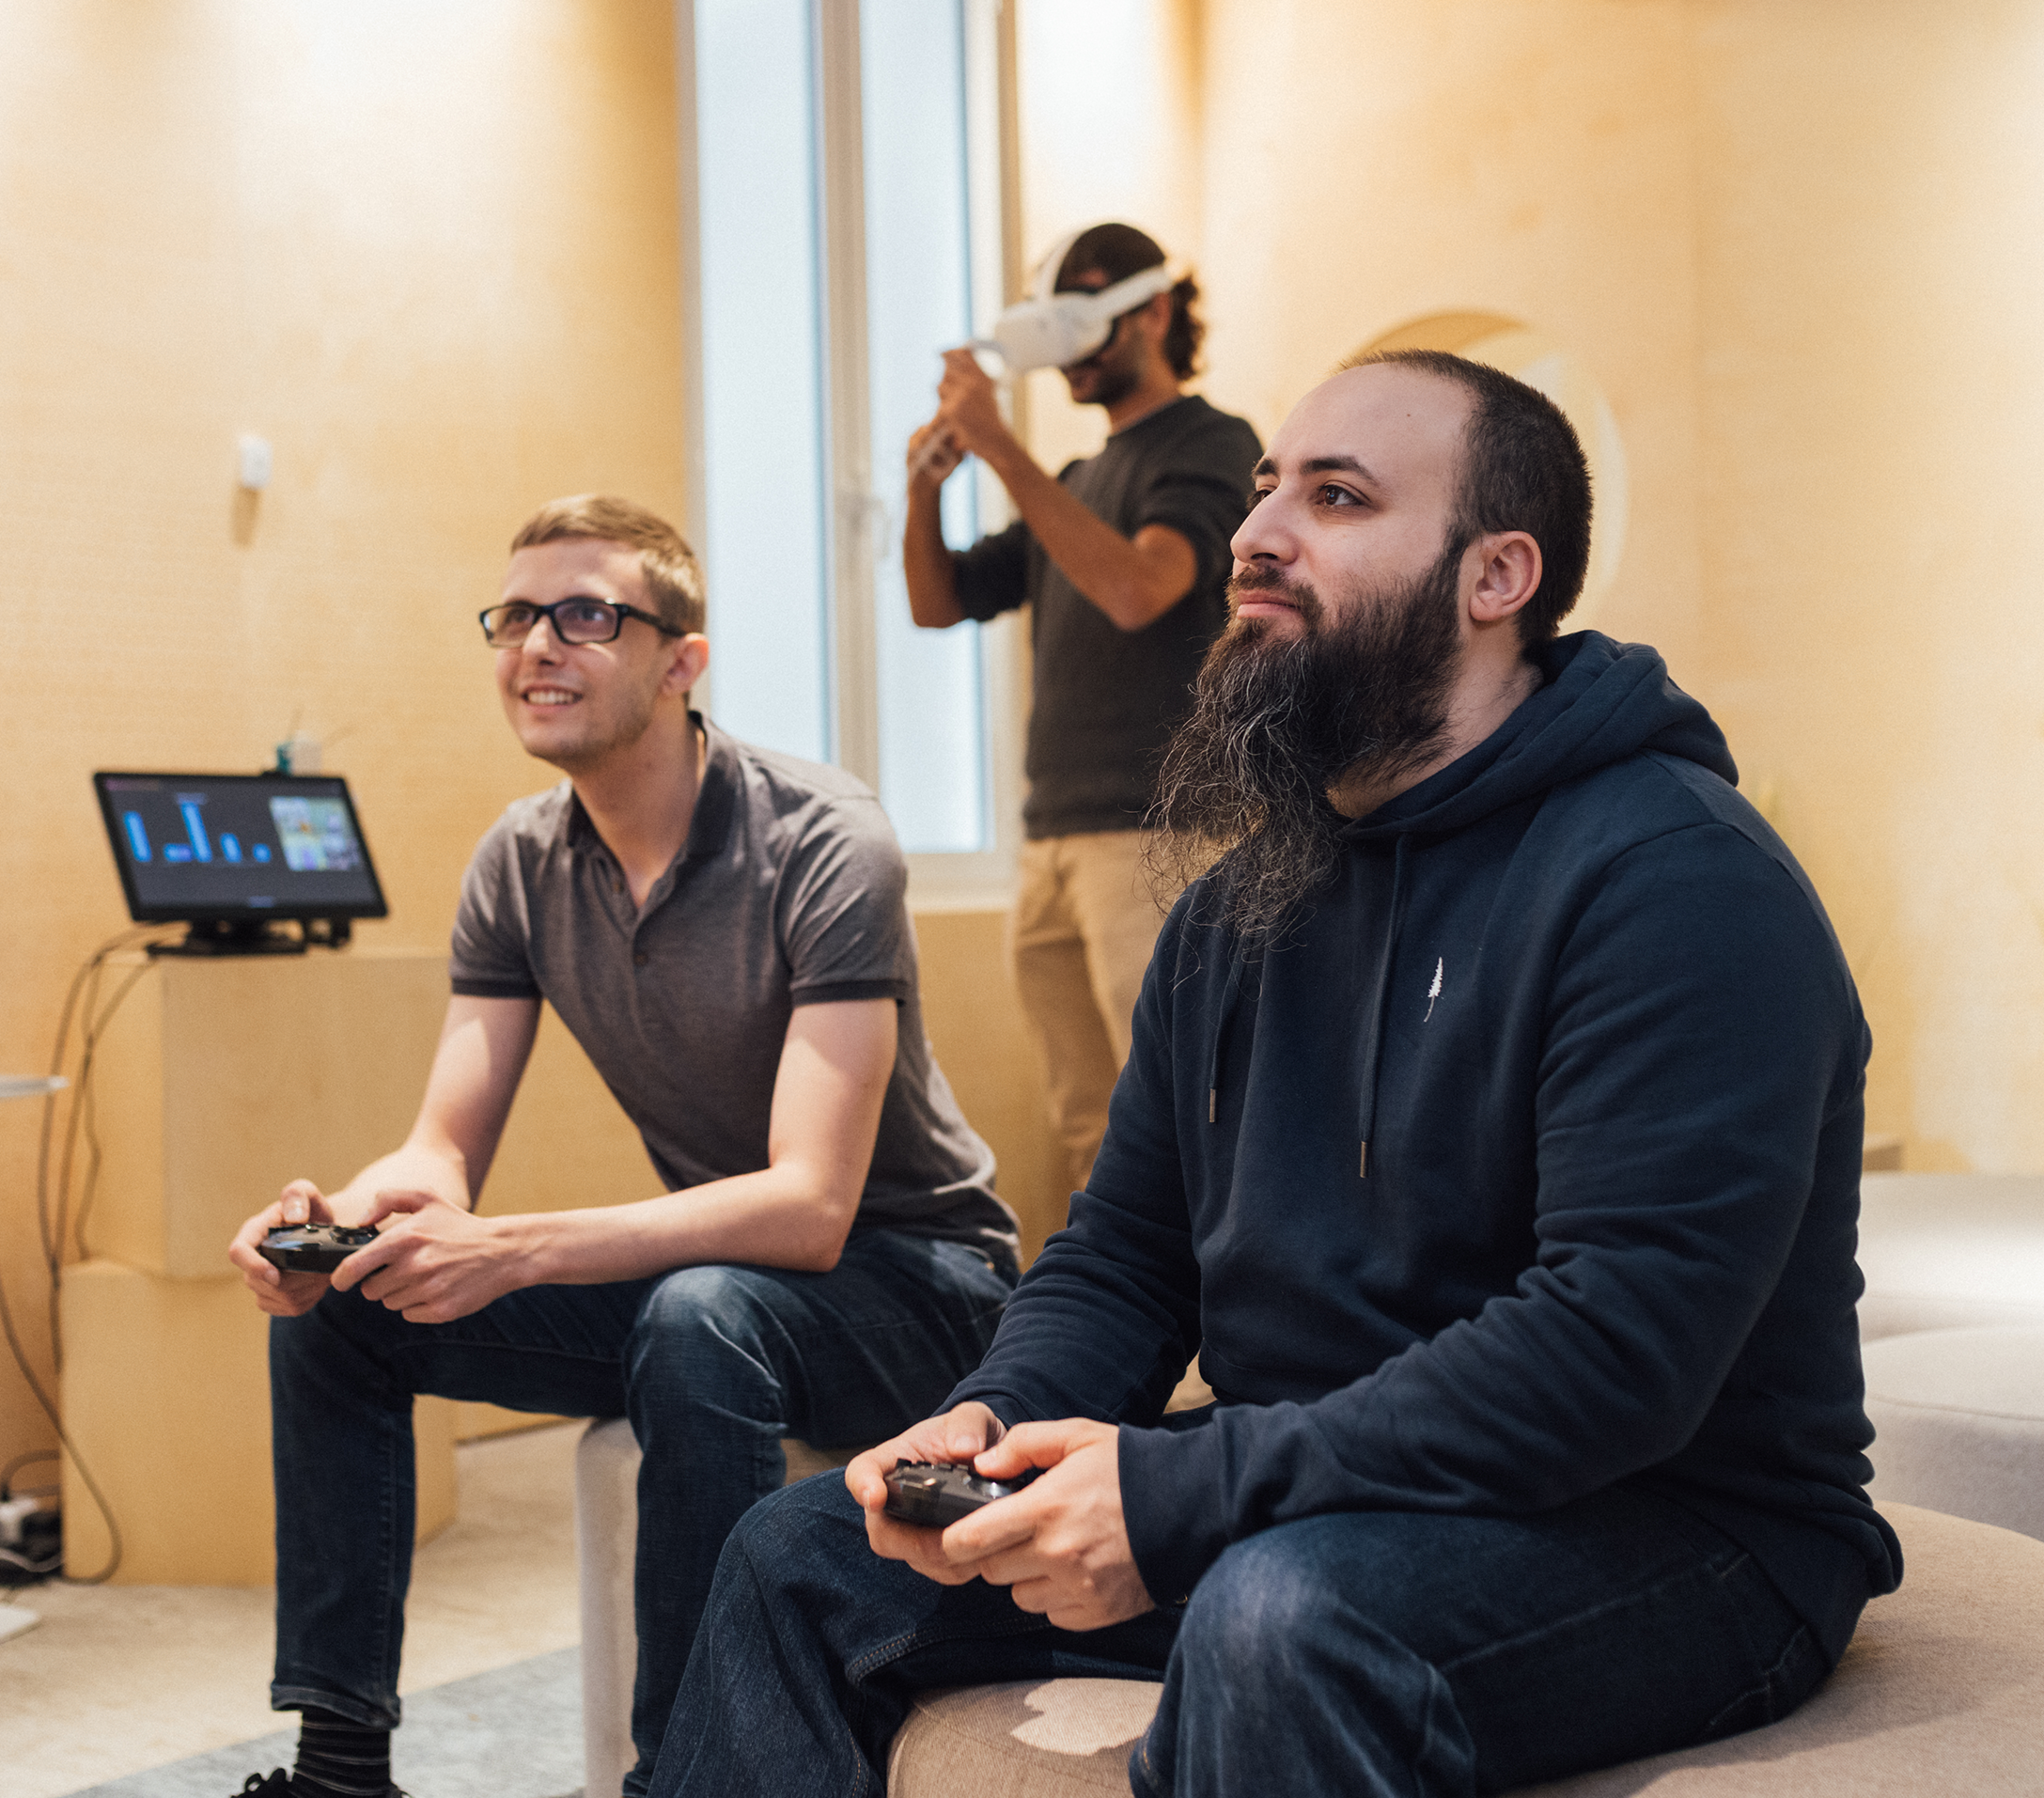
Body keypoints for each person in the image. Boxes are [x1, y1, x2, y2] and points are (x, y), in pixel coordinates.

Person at [648, 353, 1903, 1797]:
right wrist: (992, 1415)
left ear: (1497, 576)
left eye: (1339, 496)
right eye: (1264, 491)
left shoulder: (1675, 880)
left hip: (1678, 1522)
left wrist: (1185, 1496)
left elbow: (1614, 1354)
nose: (1256, 534)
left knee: (1282, 1618)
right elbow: (1126, 1254)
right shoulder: (1238, 907)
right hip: (1318, 1482)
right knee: (798, 1553)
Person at [225, 494, 1021, 1798]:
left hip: (922, 1289)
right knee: (342, 1313)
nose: (540, 644)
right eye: (517, 616)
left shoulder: (824, 841)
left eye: (586, 614)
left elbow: (813, 1207)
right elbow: (440, 1150)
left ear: (682, 660)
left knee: (700, 1315)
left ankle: (687, 1776)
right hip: (728, 1282)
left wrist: (519, 1252)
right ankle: (337, 1767)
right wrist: (339, 1222)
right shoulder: (519, 862)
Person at [902, 221, 1260, 1196]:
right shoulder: (1073, 482)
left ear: (1151, 311)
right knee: (1091, 1134)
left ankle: (1218, 1352)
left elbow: (1142, 587)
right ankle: (1117, 1343)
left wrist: (1002, 450)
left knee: (1190, 1119)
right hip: (1054, 839)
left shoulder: (1213, 444)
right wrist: (924, 490)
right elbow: (937, 604)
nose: (1066, 348)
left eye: (1086, 310)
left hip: (1162, 835)